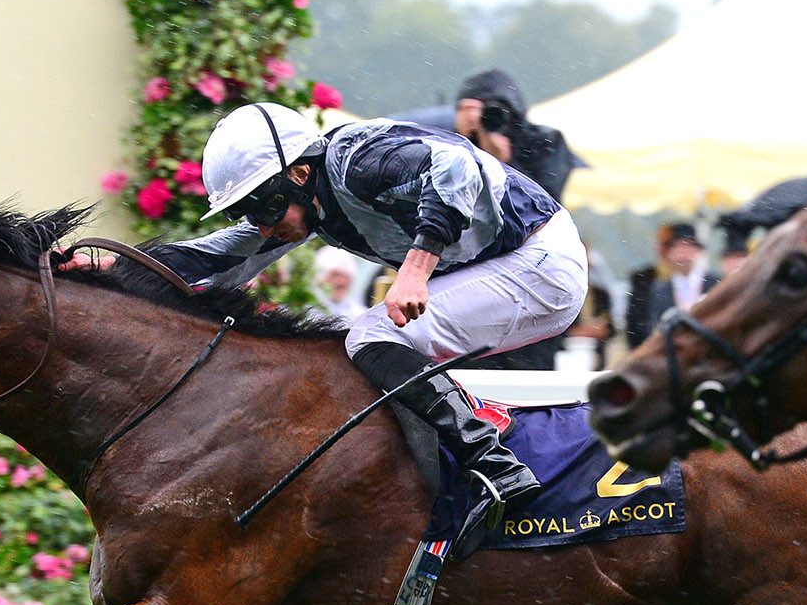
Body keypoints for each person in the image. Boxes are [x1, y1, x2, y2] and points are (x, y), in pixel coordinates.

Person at [76, 102, 587, 553]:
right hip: (522, 264)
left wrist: (414, 267)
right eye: (246, 212)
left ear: (299, 174)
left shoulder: (357, 162)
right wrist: (119, 272)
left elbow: (456, 167)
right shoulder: (310, 201)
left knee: (371, 336)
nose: (260, 225)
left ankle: (495, 469)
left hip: (541, 260)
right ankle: (449, 479)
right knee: (363, 340)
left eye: (261, 207)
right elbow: (223, 256)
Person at [398, 68, 585, 203]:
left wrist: (506, 166)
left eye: (499, 113)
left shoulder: (546, 143)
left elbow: (545, 206)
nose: (490, 121)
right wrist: (464, 137)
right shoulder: (454, 145)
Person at [625, 222, 717, 349]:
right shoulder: (660, 288)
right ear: (669, 253)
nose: (683, 256)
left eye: (687, 248)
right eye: (678, 249)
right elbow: (652, 328)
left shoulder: (715, 283)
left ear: (697, 251)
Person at [311, 246, 364, 322]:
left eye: (345, 276)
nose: (339, 282)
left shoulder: (359, 314)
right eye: (334, 275)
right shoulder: (305, 308)